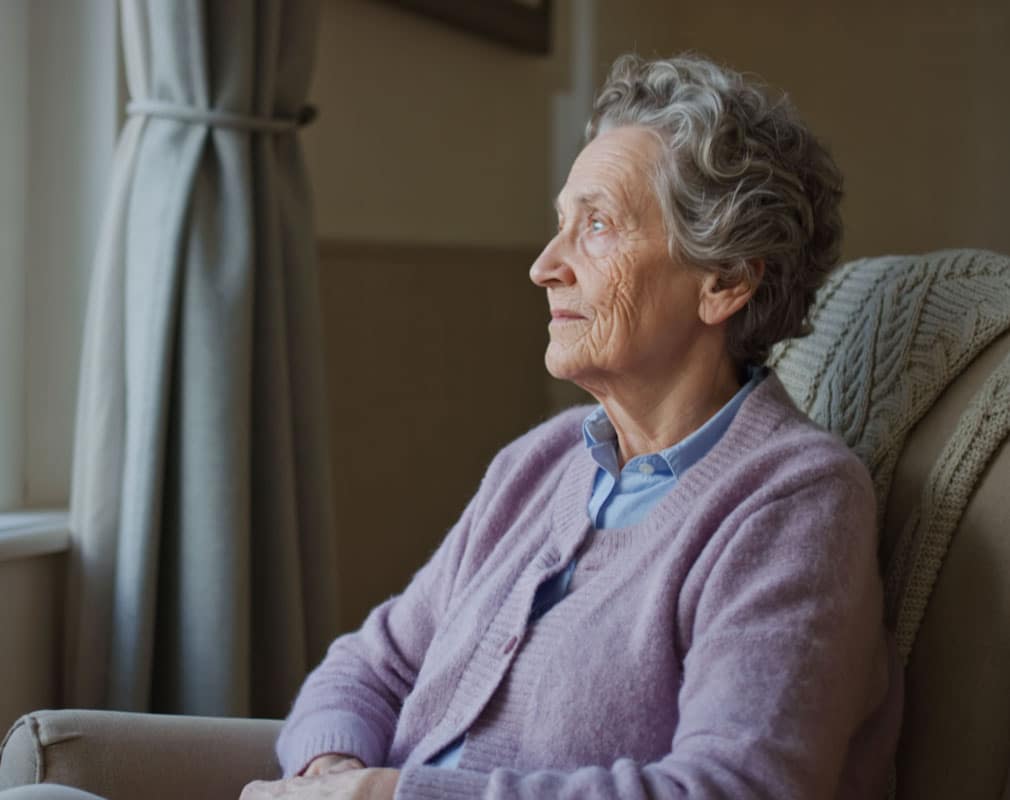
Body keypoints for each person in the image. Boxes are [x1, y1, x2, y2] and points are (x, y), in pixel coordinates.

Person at [0, 52, 899, 800]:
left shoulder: (792, 501)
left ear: (727, 280)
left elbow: (736, 788)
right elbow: (367, 667)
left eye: (596, 228)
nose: (547, 265)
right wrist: (332, 771)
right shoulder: (542, 465)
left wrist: (391, 795)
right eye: (559, 227)